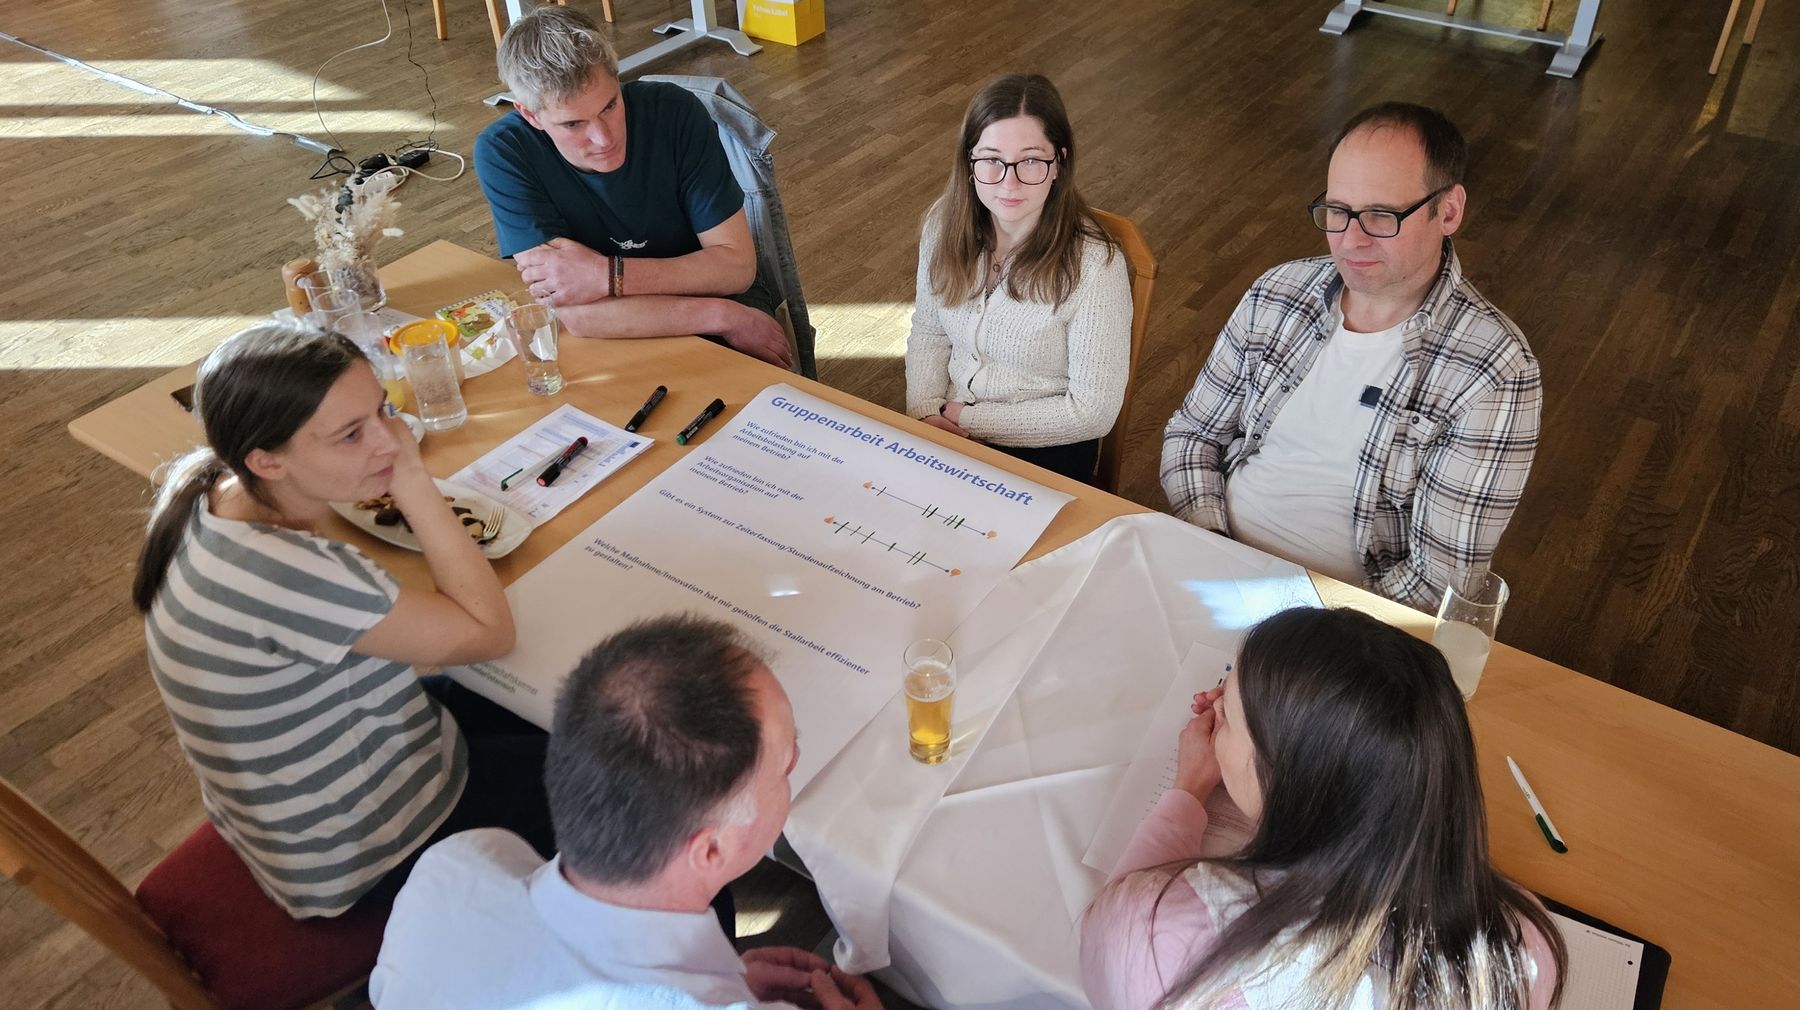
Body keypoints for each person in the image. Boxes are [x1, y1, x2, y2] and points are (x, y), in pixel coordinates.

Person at [130, 321, 554, 918]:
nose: (389, 439)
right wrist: (410, 478)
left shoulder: (202, 493)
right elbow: (489, 632)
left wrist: (368, 448)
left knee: (542, 704)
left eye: (381, 411)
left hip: (296, 805)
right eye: (351, 435)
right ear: (267, 460)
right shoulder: (295, 573)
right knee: (639, 784)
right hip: (365, 848)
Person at [369, 615, 883, 1010]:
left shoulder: (455, 868)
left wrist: (730, 979)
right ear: (710, 847)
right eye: (785, 763)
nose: (794, 763)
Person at [1081, 607, 1565, 1010]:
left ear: (1287, 783)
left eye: (1230, 719)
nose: (1218, 710)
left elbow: (1114, 929)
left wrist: (1188, 789)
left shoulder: (1161, 934)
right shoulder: (1522, 943)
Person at [1161, 103, 1541, 609]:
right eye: (1338, 212)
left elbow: (1437, 586)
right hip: (1210, 563)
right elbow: (1193, 434)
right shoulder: (1277, 291)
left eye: (1382, 215)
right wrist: (1212, 543)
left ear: (1448, 211)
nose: (1350, 239)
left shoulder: (1496, 372)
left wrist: (1294, 622)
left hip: (1341, 631)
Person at [474, 5, 792, 369]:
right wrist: (721, 316)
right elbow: (576, 315)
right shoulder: (503, 152)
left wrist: (605, 276)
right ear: (530, 115)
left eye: (610, 106)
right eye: (573, 124)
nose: (603, 137)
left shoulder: (675, 112)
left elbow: (735, 269)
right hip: (653, 317)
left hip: (709, 296)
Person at [904, 73, 1132, 484]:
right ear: (969, 163)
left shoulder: (1096, 266)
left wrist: (969, 419)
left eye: (1030, 160)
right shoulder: (943, 224)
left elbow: (1092, 412)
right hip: (943, 426)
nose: (1008, 182)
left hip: (1046, 451)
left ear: (1059, 163)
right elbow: (929, 332)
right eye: (991, 159)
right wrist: (924, 410)